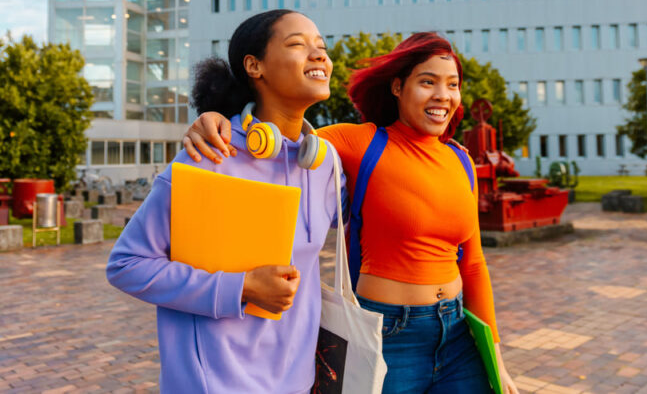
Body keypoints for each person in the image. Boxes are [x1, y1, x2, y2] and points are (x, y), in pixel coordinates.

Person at [184, 32, 520, 394]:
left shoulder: (460, 160)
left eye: (452, 85)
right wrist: (218, 117)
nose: (443, 95)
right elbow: (272, 140)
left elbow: (473, 264)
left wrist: (497, 360)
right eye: (428, 82)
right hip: (388, 334)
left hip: (456, 335)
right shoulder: (360, 142)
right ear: (397, 87)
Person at [107, 10, 345, 394]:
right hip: (215, 383)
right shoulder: (209, 153)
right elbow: (127, 265)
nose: (319, 55)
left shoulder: (324, 164)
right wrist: (241, 288)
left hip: (297, 381)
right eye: (297, 44)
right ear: (254, 66)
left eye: (321, 46)